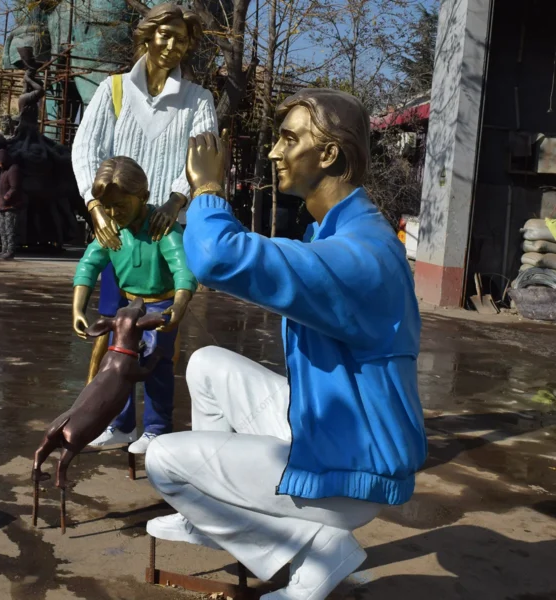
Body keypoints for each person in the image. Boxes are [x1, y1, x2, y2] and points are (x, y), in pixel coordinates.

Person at [144, 89, 427, 599]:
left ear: (329, 154)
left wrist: (208, 188)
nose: (275, 152)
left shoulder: (362, 255)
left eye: (289, 139)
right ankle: (212, 519)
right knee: (207, 365)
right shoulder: (340, 232)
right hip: (339, 430)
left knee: (164, 460)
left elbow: (219, 259)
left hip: (355, 470)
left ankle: (313, 551)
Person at [71, 3, 217, 448]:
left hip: (163, 231)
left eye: (182, 39)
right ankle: (120, 423)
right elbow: (84, 149)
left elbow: (204, 159)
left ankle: (157, 426)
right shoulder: (113, 90)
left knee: (158, 340)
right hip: (116, 225)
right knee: (117, 334)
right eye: (165, 35)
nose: (172, 46)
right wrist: (95, 207)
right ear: (147, 36)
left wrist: (175, 201)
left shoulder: (198, 100)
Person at [72, 156, 197, 453]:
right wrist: (77, 308)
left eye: (121, 205)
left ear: (143, 196)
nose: (114, 213)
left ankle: (157, 428)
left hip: (160, 308)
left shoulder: (161, 228)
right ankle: (121, 425)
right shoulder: (112, 230)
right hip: (128, 309)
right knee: (117, 367)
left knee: (155, 364)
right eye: (109, 207)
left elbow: (183, 269)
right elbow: (88, 265)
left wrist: (179, 304)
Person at [0, 149, 24, 260]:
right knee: (2, 229)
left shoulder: (13, 169)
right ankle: (4, 249)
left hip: (11, 205)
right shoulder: (4, 170)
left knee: (10, 229)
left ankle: (10, 251)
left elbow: (14, 187)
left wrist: (6, 197)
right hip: (2, 205)